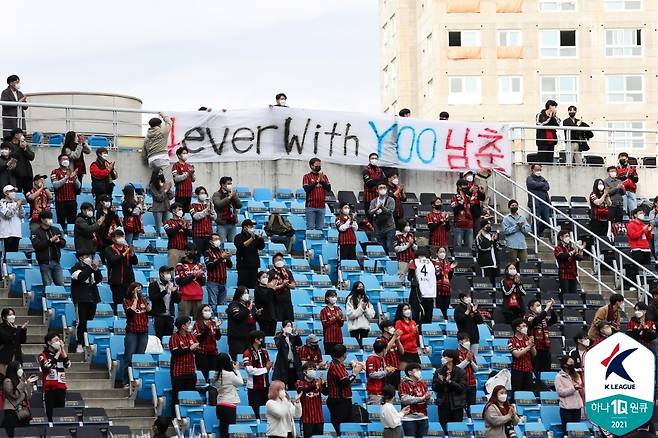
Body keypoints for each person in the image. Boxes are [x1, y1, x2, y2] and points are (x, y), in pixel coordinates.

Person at [327, 344, 363, 437]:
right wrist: (355, 373)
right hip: (339, 401)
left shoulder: (337, 364)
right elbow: (345, 382)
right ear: (343, 354)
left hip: (342, 400)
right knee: (340, 427)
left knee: (346, 427)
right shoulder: (336, 366)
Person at [70, 251, 102, 352]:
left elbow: (98, 279)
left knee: (89, 322)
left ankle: (87, 342)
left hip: (92, 298)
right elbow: (81, 277)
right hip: (81, 299)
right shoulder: (75, 268)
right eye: (86, 256)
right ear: (80, 258)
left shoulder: (91, 268)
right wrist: (91, 268)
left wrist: (96, 270)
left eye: (89, 256)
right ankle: (79, 343)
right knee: (81, 322)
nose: (89, 258)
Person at [123, 282, 151, 387]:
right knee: (129, 357)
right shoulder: (127, 301)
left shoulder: (143, 300)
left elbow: (150, 311)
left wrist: (145, 301)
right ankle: (126, 381)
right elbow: (130, 313)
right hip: (132, 332)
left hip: (143, 332)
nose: (139, 291)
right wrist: (135, 299)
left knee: (140, 357)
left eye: (141, 289)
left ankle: (137, 380)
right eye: (137, 289)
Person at [38, 333, 70, 421]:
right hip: (50, 389)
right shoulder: (43, 355)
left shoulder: (61, 355)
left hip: (61, 388)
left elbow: (68, 364)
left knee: (61, 414)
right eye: (56, 340)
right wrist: (57, 354)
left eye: (59, 340)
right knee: (50, 414)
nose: (58, 342)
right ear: (49, 342)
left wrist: (62, 350)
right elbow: (47, 366)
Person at [432, 349, 466, 432]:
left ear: (451, 358)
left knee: (456, 429)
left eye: (445, 356)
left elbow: (461, 388)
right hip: (443, 404)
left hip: (456, 405)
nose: (443, 358)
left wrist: (450, 382)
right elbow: (435, 387)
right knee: (444, 428)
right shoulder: (439, 371)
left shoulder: (460, 372)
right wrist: (441, 381)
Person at [525, 298, 558, 384]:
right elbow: (536, 320)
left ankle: (545, 388)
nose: (540, 307)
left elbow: (554, 320)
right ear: (531, 308)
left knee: (546, 371)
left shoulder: (544, 319)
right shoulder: (528, 317)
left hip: (545, 348)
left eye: (540, 305)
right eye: (537, 305)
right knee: (536, 369)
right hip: (535, 349)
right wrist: (546, 309)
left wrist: (551, 309)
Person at [2, 360, 37, 438]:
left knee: (24, 433)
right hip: (12, 412)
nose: (21, 370)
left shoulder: (22, 380)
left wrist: (28, 384)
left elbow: (28, 396)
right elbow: (15, 396)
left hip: (23, 411)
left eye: (21, 368)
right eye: (19, 368)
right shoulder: (7, 381)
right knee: (12, 434)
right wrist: (23, 384)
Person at [169, 316, 199, 407]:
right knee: (177, 397)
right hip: (179, 373)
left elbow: (195, 350)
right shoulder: (174, 338)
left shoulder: (191, 336)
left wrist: (195, 348)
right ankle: (175, 418)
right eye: (188, 324)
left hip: (190, 372)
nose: (190, 326)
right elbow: (175, 352)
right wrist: (190, 348)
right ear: (182, 326)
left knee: (189, 397)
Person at [106, 229, 138, 313]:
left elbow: (135, 262)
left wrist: (132, 254)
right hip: (116, 281)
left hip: (129, 281)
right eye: (118, 236)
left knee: (130, 302)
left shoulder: (127, 248)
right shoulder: (109, 249)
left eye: (122, 236)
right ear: (113, 239)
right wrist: (124, 253)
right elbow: (113, 260)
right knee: (119, 303)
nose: (121, 238)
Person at [31, 210, 66, 286]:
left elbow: (63, 243)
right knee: (47, 285)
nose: (50, 220)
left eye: (50, 218)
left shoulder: (56, 230)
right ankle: (45, 298)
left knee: (61, 284)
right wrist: (50, 241)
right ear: (42, 219)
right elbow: (37, 246)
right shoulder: (36, 232)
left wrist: (59, 241)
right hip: (44, 263)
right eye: (47, 218)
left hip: (56, 262)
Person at [213, 352, 244, 438]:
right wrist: (236, 370)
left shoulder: (216, 374)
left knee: (223, 431)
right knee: (230, 431)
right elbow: (240, 382)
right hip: (229, 406)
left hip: (219, 405)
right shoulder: (230, 374)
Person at [243, 330, 272, 419]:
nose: (262, 340)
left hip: (265, 386)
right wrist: (265, 369)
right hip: (253, 388)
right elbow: (249, 370)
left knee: (266, 411)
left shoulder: (264, 352)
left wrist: (268, 369)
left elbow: (269, 366)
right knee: (255, 411)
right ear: (255, 340)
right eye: (260, 338)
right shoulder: (247, 353)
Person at [407, 247, 439, 324]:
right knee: (418, 314)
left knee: (428, 315)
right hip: (417, 293)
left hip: (429, 294)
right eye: (420, 257)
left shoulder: (433, 263)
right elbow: (409, 277)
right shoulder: (414, 263)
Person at [399, 362, 430, 438]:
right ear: (409, 372)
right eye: (416, 370)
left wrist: (428, 398)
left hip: (423, 417)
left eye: (420, 370)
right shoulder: (403, 384)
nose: (419, 372)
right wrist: (421, 398)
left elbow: (428, 399)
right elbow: (405, 399)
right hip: (409, 419)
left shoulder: (423, 384)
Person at [51, 154, 81, 233]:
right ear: (59, 161)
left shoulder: (72, 171)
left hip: (72, 201)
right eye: (64, 159)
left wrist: (74, 179)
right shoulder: (55, 172)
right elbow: (55, 185)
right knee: (61, 222)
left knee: (72, 222)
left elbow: (78, 186)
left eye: (67, 159)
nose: (66, 161)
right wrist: (66, 177)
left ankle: (71, 239)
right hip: (61, 201)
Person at [296, 361, 326, 438]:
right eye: (310, 369)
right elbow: (302, 391)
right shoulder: (299, 383)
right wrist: (314, 386)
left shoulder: (317, 382)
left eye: (314, 369)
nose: (312, 371)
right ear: (304, 371)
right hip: (307, 419)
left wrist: (324, 384)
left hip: (319, 418)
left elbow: (326, 393)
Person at [176, 243, 206, 319]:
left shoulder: (199, 265)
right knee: (184, 321)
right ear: (186, 251)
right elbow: (179, 281)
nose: (193, 253)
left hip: (198, 296)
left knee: (199, 322)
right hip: (185, 297)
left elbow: (203, 282)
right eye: (191, 251)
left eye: (195, 251)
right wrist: (193, 276)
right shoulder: (180, 265)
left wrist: (199, 277)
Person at [149, 266, 179, 340]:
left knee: (168, 339)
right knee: (159, 338)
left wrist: (175, 292)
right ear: (161, 274)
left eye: (170, 273)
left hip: (169, 316)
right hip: (159, 316)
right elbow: (153, 298)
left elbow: (177, 300)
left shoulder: (172, 284)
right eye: (167, 273)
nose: (169, 274)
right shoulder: (153, 285)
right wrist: (165, 292)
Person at [227, 287, 258, 360]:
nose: (246, 295)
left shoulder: (251, 306)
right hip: (237, 339)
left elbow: (254, 319)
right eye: (244, 293)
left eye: (247, 293)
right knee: (238, 360)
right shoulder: (233, 305)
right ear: (239, 294)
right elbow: (238, 316)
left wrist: (257, 314)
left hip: (249, 338)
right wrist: (248, 310)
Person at [555, 355, 583, 433]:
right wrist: (573, 388)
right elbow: (561, 392)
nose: (572, 365)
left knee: (576, 432)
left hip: (577, 408)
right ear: (565, 365)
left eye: (573, 363)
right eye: (570, 363)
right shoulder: (559, 377)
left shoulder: (576, 375)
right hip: (566, 409)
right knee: (568, 432)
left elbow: (580, 386)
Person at [193, 304, 221, 380]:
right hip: (202, 354)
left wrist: (217, 328)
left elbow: (218, 337)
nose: (208, 312)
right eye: (205, 310)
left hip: (213, 353)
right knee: (204, 375)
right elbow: (199, 339)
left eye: (209, 310)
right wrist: (207, 329)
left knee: (213, 375)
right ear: (201, 312)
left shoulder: (213, 323)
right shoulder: (197, 324)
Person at [234, 219, 265, 288]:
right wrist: (251, 238)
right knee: (242, 286)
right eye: (249, 226)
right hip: (243, 266)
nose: (251, 228)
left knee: (253, 286)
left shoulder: (256, 237)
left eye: (252, 226)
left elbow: (261, 247)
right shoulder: (238, 237)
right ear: (244, 227)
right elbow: (241, 246)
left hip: (254, 266)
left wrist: (261, 239)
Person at [302, 158, 331, 230]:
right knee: (310, 227)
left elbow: (329, 189)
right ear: (311, 166)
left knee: (320, 228)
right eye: (316, 165)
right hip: (311, 206)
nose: (319, 167)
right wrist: (316, 182)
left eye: (319, 165)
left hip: (321, 206)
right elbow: (307, 189)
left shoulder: (324, 176)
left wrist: (322, 181)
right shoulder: (307, 176)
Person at [205, 233, 233, 308]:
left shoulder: (222, 251)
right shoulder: (208, 252)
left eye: (219, 239)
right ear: (211, 241)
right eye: (216, 239)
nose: (218, 241)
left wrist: (228, 259)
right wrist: (221, 258)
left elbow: (229, 266)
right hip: (213, 282)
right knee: (213, 305)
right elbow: (210, 266)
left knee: (222, 306)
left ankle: (219, 320)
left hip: (223, 282)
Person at [272, 320, 303, 388]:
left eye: (290, 326)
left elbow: (299, 343)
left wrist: (297, 334)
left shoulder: (292, 336)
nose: (289, 327)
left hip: (293, 365)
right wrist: (284, 335)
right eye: (287, 326)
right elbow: (278, 346)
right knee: (282, 387)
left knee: (293, 385)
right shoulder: (278, 337)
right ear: (283, 328)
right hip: (283, 365)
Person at [143, 114, 173, 181]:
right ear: (159, 125)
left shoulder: (147, 137)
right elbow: (169, 122)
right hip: (161, 158)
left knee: (157, 180)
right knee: (167, 181)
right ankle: (165, 191)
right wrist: (163, 115)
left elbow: (144, 153)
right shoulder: (162, 131)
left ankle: (155, 189)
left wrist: (146, 161)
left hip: (151, 160)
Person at [268, 253, 296, 323]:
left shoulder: (287, 272)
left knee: (289, 322)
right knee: (279, 322)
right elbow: (269, 287)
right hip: (276, 302)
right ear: (273, 262)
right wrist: (282, 285)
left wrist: (287, 285)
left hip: (287, 301)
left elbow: (293, 285)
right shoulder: (270, 273)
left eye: (280, 259)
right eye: (277, 260)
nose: (279, 261)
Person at [346, 281, 375, 350]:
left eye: (362, 287)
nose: (361, 288)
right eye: (359, 287)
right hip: (354, 329)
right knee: (356, 348)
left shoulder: (366, 299)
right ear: (355, 288)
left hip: (365, 328)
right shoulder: (350, 299)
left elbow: (371, 315)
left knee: (364, 348)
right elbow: (350, 314)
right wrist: (361, 308)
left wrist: (365, 309)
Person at [213, 176, 242, 244]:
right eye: (228, 184)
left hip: (232, 222)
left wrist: (234, 197)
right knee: (221, 243)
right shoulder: (217, 194)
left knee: (233, 244)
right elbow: (218, 204)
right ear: (223, 184)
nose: (230, 185)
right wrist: (229, 198)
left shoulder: (233, 194)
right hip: (222, 223)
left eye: (231, 184)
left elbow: (239, 205)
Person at [451, 178, 479, 249]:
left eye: (466, 185)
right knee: (458, 247)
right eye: (464, 185)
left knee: (469, 248)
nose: (466, 187)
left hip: (469, 225)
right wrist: (461, 204)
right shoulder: (454, 197)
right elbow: (455, 210)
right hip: (459, 225)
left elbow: (474, 211)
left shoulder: (469, 198)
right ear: (459, 187)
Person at [508, 319, 535, 392]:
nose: (525, 328)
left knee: (528, 392)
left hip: (528, 370)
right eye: (523, 326)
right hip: (517, 370)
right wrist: (528, 347)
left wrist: (532, 345)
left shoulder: (527, 339)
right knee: (517, 392)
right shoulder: (511, 341)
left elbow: (534, 354)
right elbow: (516, 354)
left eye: (526, 326)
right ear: (517, 328)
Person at [369, 183, 396, 255]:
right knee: (381, 246)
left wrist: (382, 207)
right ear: (377, 190)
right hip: (378, 227)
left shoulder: (391, 200)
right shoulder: (374, 201)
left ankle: (391, 261)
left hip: (389, 227)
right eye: (380, 188)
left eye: (384, 188)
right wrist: (377, 208)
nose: (382, 189)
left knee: (389, 245)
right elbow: (370, 212)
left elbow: (390, 212)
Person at [4, 129, 34, 194]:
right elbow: (12, 156)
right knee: (17, 195)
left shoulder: (24, 144)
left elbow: (32, 157)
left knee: (29, 194)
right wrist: (20, 148)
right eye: (21, 134)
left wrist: (25, 149)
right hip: (16, 175)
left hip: (27, 175)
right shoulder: (9, 145)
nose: (22, 136)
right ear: (15, 135)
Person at [627, 207, 652, 283]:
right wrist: (643, 230)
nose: (642, 214)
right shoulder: (631, 224)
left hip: (646, 249)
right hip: (637, 249)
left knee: (646, 268)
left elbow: (649, 237)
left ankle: (646, 284)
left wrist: (649, 231)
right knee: (636, 269)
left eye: (643, 213)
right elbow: (633, 236)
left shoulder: (643, 224)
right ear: (635, 215)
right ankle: (634, 284)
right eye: (640, 213)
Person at [502, 199, 531, 265]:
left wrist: (521, 227)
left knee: (524, 264)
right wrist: (516, 227)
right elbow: (506, 231)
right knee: (512, 265)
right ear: (509, 207)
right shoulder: (506, 218)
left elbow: (527, 230)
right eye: (512, 205)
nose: (514, 206)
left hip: (522, 244)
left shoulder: (522, 217)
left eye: (516, 205)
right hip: (511, 245)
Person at [554, 230, 583, 294]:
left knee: (574, 293)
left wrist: (580, 250)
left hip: (572, 273)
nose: (568, 238)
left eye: (568, 236)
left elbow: (579, 258)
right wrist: (573, 252)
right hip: (564, 274)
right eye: (566, 236)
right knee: (565, 293)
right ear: (561, 238)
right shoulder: (558, 248)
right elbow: (562, 257)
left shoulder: (571, 248)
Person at [525, 164, 551, 236]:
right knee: (536, 220)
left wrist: (539, 185)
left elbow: (547, 187)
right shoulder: (529, 178)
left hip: (545, 203)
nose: (538, 171)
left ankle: (538, 232)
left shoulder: (542, 178)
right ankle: (535, 235)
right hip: (535, 203)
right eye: (537, 170)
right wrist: (542, 184)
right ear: (532, 170)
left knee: (546, 221)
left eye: (540, 170)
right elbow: (532, 184)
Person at [456, 333, 479, 414]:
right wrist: (466, 360)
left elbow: (476, 369)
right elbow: (457, 368)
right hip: (461, 384)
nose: (468, 342)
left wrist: (471, 360)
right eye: (466, 340)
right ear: (460, 342)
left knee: (472, 407)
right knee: (461, 407)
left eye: (469, 340)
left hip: (472, 384)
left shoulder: (470, 353)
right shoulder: (455, 353)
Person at [377, 320, 403, 389]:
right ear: (385, 329)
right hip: (387, 370)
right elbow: (385, 349)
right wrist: (394, 337)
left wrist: (397, 340)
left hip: (396, 369)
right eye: (391, 327)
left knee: (396, 391)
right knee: (387, 391)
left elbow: (402, 352)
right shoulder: (380, 339)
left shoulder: (394, 339)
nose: (393, 328)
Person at [0, 308, 27, 375]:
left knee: (17, 377)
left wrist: (23, 330)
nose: (12, 316)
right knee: (4, 377)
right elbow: (5, 338)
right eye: (9, 315)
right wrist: (13, 329)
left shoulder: (17, 328)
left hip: (16, 356)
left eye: (13, 314)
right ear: (4, 317)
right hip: (4, 358)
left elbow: (22, 340)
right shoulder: (1, 327)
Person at [0, 185, 25, 257]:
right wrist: (17, 205)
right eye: (11, 191)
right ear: (5, 193)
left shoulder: (16, 203)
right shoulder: (1, 203)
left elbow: (22, 215)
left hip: (16, 233)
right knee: (6, 256)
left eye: (14, 191)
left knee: (14, 255)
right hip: (6, 234)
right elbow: (8, 215)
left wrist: (19, 206)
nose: (13, 193)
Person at [164, 202, 191, 269]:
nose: (181, 211)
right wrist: (179, 226)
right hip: (173, 250)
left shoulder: (186, 222)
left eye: (181, 210)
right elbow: (170, 233)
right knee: (173, 270)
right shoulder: (167, 222)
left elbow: (190, 234)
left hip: (184, 250)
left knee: (185, 270)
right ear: (173, 211)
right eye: (179, 209)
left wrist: (184, 228)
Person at [96, 194, 121, 261]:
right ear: (101, 202)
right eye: (106, 201)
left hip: (113, 236)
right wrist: (111, 214)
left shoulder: (111, 212)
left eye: (109, 201)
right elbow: (105, 223)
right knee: (105, 253)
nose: (108, 202)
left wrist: (115, 213)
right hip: (104, 237)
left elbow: (118, 223)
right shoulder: (99, 212)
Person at [149, 169, 174, 235]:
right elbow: (158, 198)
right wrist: (165, 189)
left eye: (161, 172)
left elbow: (171, 196)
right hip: (157, 209)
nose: (161, 174)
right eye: (159, 172)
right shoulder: (152, 185)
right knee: (159, 228)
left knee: (167, 226)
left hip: (166, 207)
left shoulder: (165, 183)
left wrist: (168, 188)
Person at [535, 99, 560, 164]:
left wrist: (554, 116)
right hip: (542, 141)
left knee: (550, 161)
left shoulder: (554, 116)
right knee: (542, 161)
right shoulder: (540, 114)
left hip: (551, 141)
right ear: (550, 106)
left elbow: (559, 124)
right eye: (555, 106)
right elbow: (539, 124)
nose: (555, 108)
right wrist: (549, 118)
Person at [320, 289, 344, 356]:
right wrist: (335, 318)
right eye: (332, 296)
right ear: (327, 298)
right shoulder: (324, 311)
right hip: (329, 339)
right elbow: (325, 324)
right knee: (330, 357)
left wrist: (339, 318)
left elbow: (341, 323)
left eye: (335, 296)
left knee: (339, 357)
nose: (334, 298)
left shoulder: (338, 309)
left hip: (338, 339)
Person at [475, 218, 500, 285]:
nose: (489, 226)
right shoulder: (479, 237)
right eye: (487, 225)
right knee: (487, 283)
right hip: (486, 264)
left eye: (489, 225)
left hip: (495, 263)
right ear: (483, 227)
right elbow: (482, 248)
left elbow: (497, 248)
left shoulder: (492, 235)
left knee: (496, 284)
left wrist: (495, 240)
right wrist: (491, 241)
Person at [172, 147, 195, 213]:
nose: (186, 155)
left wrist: (192, 173)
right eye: (184, 153)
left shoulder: (189, 165)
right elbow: (176, 178)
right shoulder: (176, 165)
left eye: (186, 153)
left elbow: (193, 179)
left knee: (187, 212)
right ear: (179, 155)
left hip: (189, 193)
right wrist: (187, 174)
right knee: (179, 212)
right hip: (180, 194)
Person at [255, 271, 277, 336]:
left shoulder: (270, 289)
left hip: (272, 317)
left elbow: (275, 301)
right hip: (264, 317)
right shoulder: (257, 289)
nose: (266, 278)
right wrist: (271, 289)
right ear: (259, 279)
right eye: (263, 277)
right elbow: (265, 300)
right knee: (264, 336)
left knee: (272, 337)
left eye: (267, 277)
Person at [617, 152, 639, 216]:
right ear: (619, 158)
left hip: (632, 190)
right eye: (622, 157)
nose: (624, 159)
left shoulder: (632, 168)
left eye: (626, 157)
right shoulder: (617, 168)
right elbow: (616, 179)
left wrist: (631, 175)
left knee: (634, 210)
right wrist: (625, 176)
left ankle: (633, 224)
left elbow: (636, 180)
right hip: (622, 191)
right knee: (624, 210)